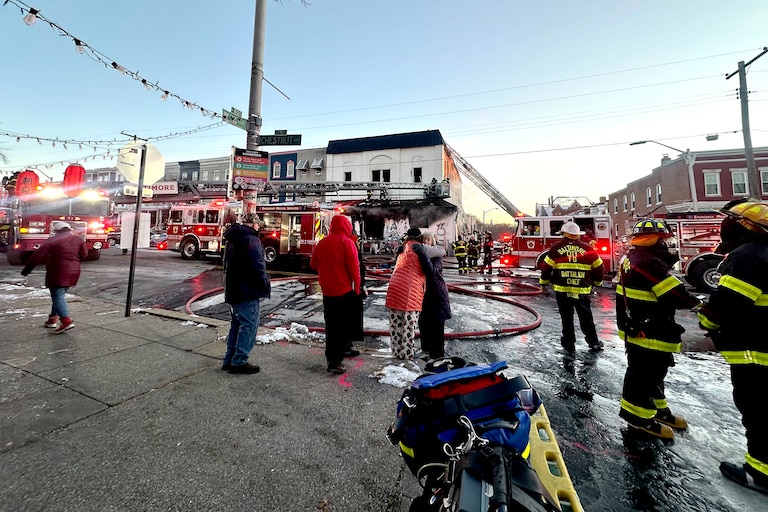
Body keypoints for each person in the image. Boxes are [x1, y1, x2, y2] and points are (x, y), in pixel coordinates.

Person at [697, 199, 768, 494]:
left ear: (742, 226)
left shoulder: (748, 256)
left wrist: (707, 319)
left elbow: (727, 306)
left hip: (757, 353)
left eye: (729, 220)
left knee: (759, 410)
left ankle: (760, 474)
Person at [616, 219, 701, 439]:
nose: (667, 244)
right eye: (663, 239)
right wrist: (699, 305)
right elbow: (673, 294)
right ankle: (638, 419)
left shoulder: (634, 257)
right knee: (643, 374)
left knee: (654, 373)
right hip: (648, 327)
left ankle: (657, 410)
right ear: (652, 239)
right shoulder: (648, 262)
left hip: (643, 324)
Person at [539, 221, 604, 353]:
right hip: (582, 289)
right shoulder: (588, 249)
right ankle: (594, 342)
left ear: (563, 234)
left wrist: (543, 283)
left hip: (562, 290)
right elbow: (599, 267)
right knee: (586, 317)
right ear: (578, 235)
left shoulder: (555, 248)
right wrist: (597, 283)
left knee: (566, 317)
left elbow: (546, 268)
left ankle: (569, 343)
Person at [310, 215, 361, 374]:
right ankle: (336, 361)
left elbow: (313, 264)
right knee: (342, 327)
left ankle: (331, 358)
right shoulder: (348, 243)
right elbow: (354, 269)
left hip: (327, 291)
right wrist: (357, 288)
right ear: (346, 226)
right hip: (344, 291)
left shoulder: (322, 242)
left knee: (331, 326)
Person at [221, 212, 271, 375]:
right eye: (257, 224)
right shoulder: (251, 240)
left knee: (236, 325)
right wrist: (264, 285)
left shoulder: (232, 238)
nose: (258, 227)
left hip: (234, 289)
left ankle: (229, 360)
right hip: (247, 290)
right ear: (253, 224)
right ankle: (239, 361)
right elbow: (258, 266)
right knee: (249, 325)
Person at [21, 221, 87, 334]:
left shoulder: (52, 241)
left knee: (57, 296)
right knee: (58, 295)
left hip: (58, 271)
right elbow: (84, 255)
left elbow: (37, 256)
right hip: (74, 272)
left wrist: (27, 270)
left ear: (56, 231)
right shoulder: (78, 240)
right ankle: (52, 319)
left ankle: (66, 320)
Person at [385, 227, 429, 360]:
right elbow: (428, 269)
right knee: (409, 324)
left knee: (396, 322)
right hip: (411, 289)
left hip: (394, 286)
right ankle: (406, 352)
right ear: (419, 237)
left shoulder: (402, 248)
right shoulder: (419, 249)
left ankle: (396, 351)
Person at [417, 232, 451, 359]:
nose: (425, 242)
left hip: (437, 294)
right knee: (423, 322)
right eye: (423, 239)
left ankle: (437, 355)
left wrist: (423, 255)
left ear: (432, 242)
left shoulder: (437, 257)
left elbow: (431, 271)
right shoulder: (420, 254)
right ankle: (425, 349)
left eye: (428, 240)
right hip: (423, 294)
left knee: (437, 324)